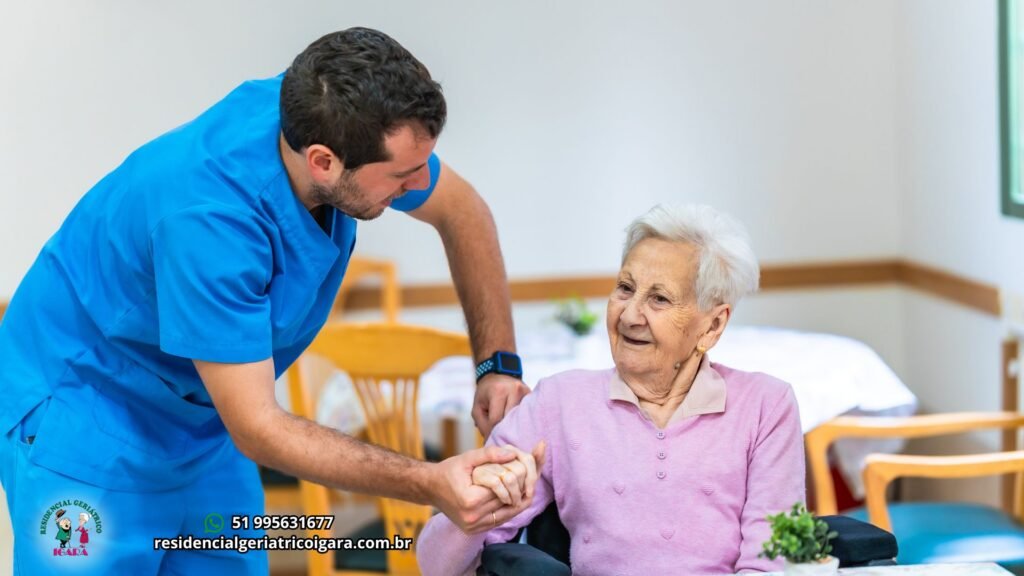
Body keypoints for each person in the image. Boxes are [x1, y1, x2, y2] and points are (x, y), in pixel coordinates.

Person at [0, 27, 539, 575]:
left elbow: (462, 211)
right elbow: (258, 426)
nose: (422, 183)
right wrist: (429, 481)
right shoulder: (209, 222)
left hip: (202, 424)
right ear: (323, 162)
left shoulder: (323, 108)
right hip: (84, 416)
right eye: (402, 177)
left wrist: (497, 364)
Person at [416, 204, 806, 575]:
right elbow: (434, 565)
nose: (630, 315)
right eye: (625, 288)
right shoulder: (559, 404)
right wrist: (479, 503)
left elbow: (772, 563)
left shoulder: (766, 407)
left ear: (712, 326)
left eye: (659, 298)